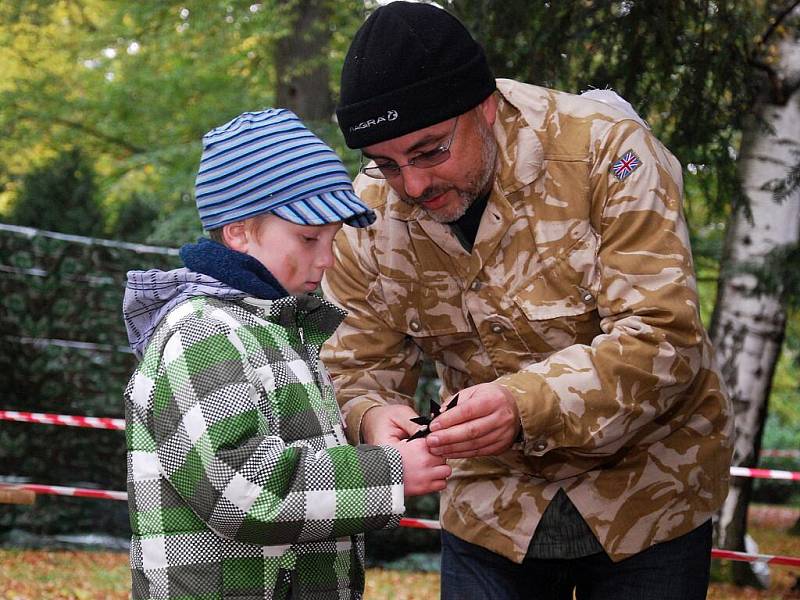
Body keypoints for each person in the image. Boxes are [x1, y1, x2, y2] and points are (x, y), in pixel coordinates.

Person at [321, 3, 734, 599]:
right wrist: (370, 416)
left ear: (485, 109)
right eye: (386, 163)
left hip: (648, 499)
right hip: (491, 514)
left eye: (431, 151)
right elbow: (353, 369)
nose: (412, 186)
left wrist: (522, 405)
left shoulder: (605, 154)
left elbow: (662, 339)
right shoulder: (369, 213)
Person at [121, 108, 450, 600]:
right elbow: (243, 492)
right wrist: (390, 471)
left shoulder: (276, 331)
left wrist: (371, 432)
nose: (328, 258)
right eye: (308, 238)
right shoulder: (203, 334)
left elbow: (300, 458)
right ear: (238, 232)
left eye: (334, 239)